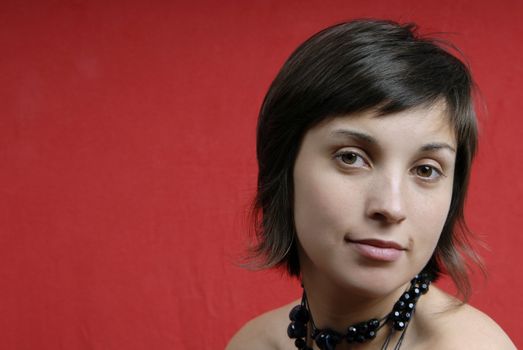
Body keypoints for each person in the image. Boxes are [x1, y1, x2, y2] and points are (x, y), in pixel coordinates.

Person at [227, 19, 516, 349]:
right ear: (283, 166)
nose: (391, 207)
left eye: (426, 170)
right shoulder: (252, 343)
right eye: (351, 158)